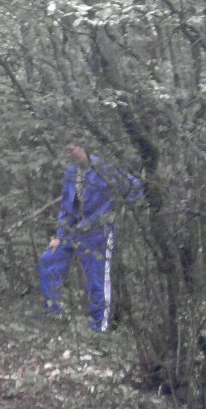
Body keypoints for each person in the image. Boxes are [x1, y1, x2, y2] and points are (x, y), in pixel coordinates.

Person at [38, 141, 143, 332]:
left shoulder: (105, 169)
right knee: (48, 260)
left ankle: (99, 325)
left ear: (84, 147)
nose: (73, 153)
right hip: (75, 230)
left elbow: (134, 187)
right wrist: (59, 235)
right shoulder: (71, 174)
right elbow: (67, 208)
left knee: (97, 278)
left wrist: (116, 213)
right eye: (69, 150)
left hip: (98, 233)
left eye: (75, 149)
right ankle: (55, 313)